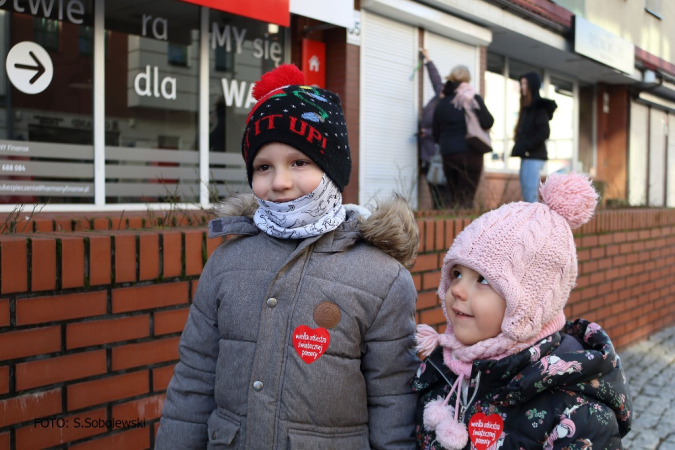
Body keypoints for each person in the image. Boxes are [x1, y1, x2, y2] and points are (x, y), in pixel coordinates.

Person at [155, 64, 420, 449]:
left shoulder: (382, 277)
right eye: (264, 167)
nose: (279, 182)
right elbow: (194, 379)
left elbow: (394, 400)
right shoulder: (228, 262)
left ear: (332, 168)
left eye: (299, 162)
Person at [411, 172, 632, 449]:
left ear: (527, 306)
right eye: (456, 273)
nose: (457, 289)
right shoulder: (439, 368)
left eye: (482, 280)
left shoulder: (577, 415)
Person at [432, 65, 493, 209]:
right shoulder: (472, 97)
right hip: (470, 153)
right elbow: (488, 122)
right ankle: (465, 227)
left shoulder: (442, 103)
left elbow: (436, 134)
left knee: (452, 196)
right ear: (468, 79)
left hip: (448, 155)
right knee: (466, 198)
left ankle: (452, 226)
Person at [511, 72, 557, 203]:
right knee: (527, 193)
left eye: (526, 83)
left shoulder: (538, 108)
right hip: (527, 156)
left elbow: (544, 132)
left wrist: (526, 146)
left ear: (533, 85)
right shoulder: (527, 107)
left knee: (530, 194)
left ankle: (535, 222)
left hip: (534, 156)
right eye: (521, 84)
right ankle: (532, 221)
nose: (523, 87)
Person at [418, 48, 446, 209]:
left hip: (434, 153)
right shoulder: (438, 94)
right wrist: (427, 59)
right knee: (432, 185)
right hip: (427, 149)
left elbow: (442, 129)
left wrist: (426, 132)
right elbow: (435, 78)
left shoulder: (445, 105)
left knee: (437, 186)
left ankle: (441, 211)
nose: (441, 89)